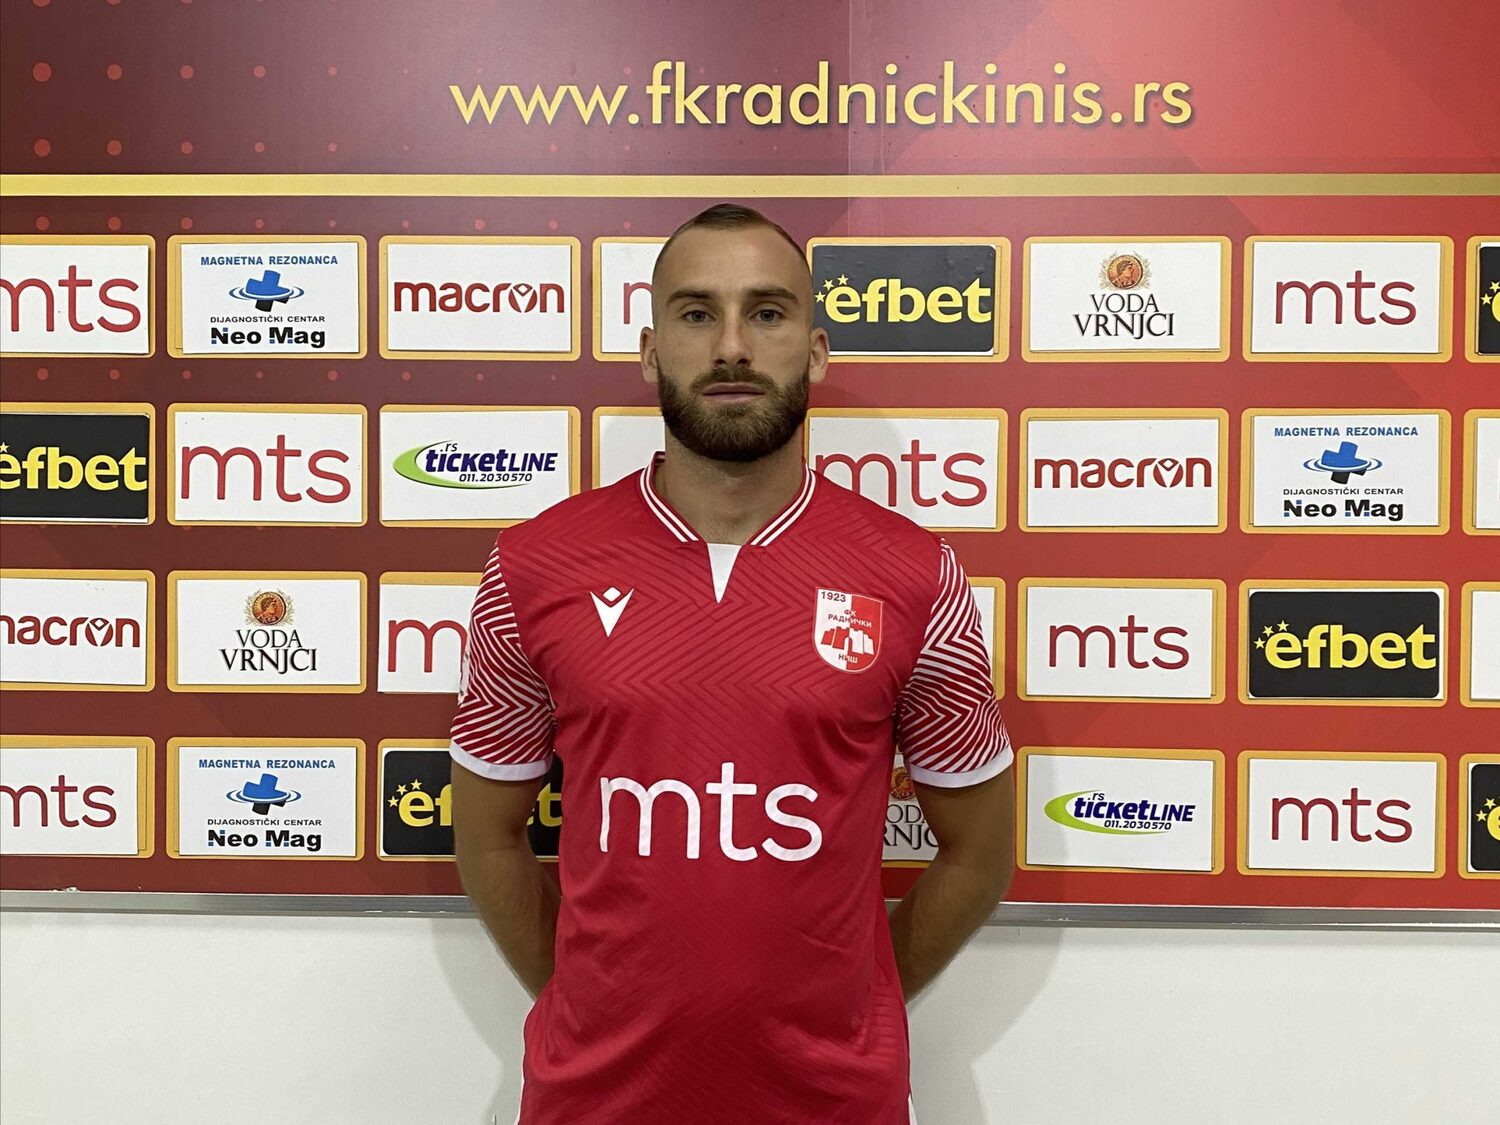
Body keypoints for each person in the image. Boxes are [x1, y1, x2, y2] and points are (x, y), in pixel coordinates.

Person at [449, 203, 1015, 1125]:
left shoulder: (914, 575)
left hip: (833, 1104)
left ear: (816, 350)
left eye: (767, 312)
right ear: (650, 351)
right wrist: (593, 1001)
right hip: (594, 1101)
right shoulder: (535, 566)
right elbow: (486, 837)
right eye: (696, 312)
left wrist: (860, 998)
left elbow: (980, 851)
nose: (732, 347)